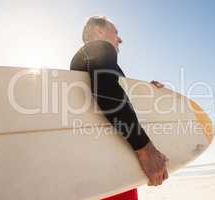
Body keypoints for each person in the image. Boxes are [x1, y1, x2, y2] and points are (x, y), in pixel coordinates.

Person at [70, 16, 168, 200]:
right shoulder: (100, 47)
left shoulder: (83, 62)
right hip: (109, 170)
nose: (120, 39)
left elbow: (106, 95)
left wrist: (144, 93)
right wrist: (146, 150)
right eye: (116, 32)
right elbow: (107, 91)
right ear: (99, 31)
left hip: (93, 171)